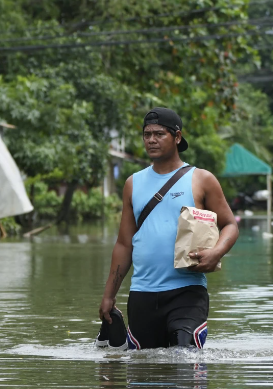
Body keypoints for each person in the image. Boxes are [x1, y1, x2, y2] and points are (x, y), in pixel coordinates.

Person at [98, 107, 239, 349]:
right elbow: (124, 244)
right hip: (142, 294)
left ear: (177, 137)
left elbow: (230, 225)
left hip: (187, 291)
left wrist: (216, 252)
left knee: (185, 358)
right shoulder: (133, 183)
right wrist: (109, 295)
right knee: (145, 373)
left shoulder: (201, 179)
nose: (151, 140)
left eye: (159, 134)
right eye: (146, 134)